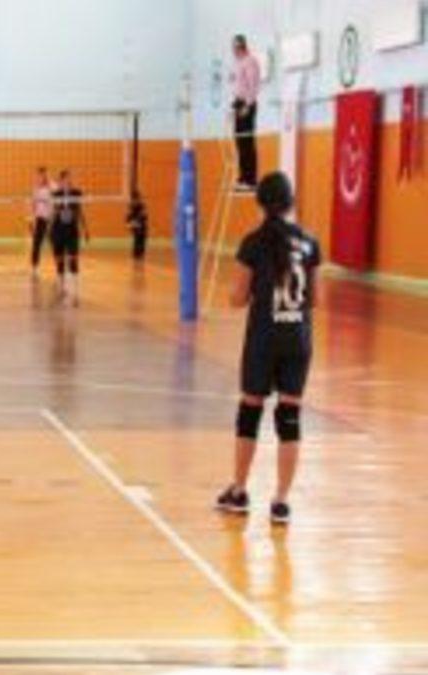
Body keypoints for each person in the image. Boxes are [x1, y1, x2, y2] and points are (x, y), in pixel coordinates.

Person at [216, 172, 320, 525]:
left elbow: (237, 298)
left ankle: (239, 491)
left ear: (260, 203)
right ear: (291, 202)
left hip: (264, 337)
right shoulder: (310, 243)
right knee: (289, 418)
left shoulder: (254, 242)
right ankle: (281, 501)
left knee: (250, 412)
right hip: (298, 339)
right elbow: (315, 299)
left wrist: (247, 293)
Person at [51, 170, 90, 305]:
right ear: (61, 181)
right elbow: (53, 213)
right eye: (66, 179)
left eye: (70, 178)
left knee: (73, 258)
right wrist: (49, 231)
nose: (68, 181)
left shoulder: (77, 193)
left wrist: (85, 229)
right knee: (59, 259)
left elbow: (80, 211)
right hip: (58, 230)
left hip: (72, 230)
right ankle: (61, 284)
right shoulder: (55, 194)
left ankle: (75, 287)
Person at [231, 35, 261, 191]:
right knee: (240, 142)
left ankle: (250, 180)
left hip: (246, 104)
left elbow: (253, 86)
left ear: (241, 46)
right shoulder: (238, 63)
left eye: (235, 47)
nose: (233, 51)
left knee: (247, 142)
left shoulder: (250, 61)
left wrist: (247, 106)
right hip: (238, 104)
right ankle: (243, 177)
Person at [29, 166, 54, 278]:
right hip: (40, 219)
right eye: (39, 175)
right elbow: (33, 204)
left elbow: (57, 200)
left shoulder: (52, 186)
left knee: (55, 243)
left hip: (51, 219)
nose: (41, 177)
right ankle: (34, 267)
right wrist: (31, 218)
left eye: (43, 175)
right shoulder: (36, 189)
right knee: (36, 243)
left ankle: (61, 267)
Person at [126, 189, 148, 261]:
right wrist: (130, 222)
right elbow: (129, 215)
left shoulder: (140, 205)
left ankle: (139, 254)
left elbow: (144, 215)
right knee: (138, 239)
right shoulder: (132, 205)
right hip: (137, 224)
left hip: (140, 224)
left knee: (140, 239)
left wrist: (131, 222)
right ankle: (137, 254)